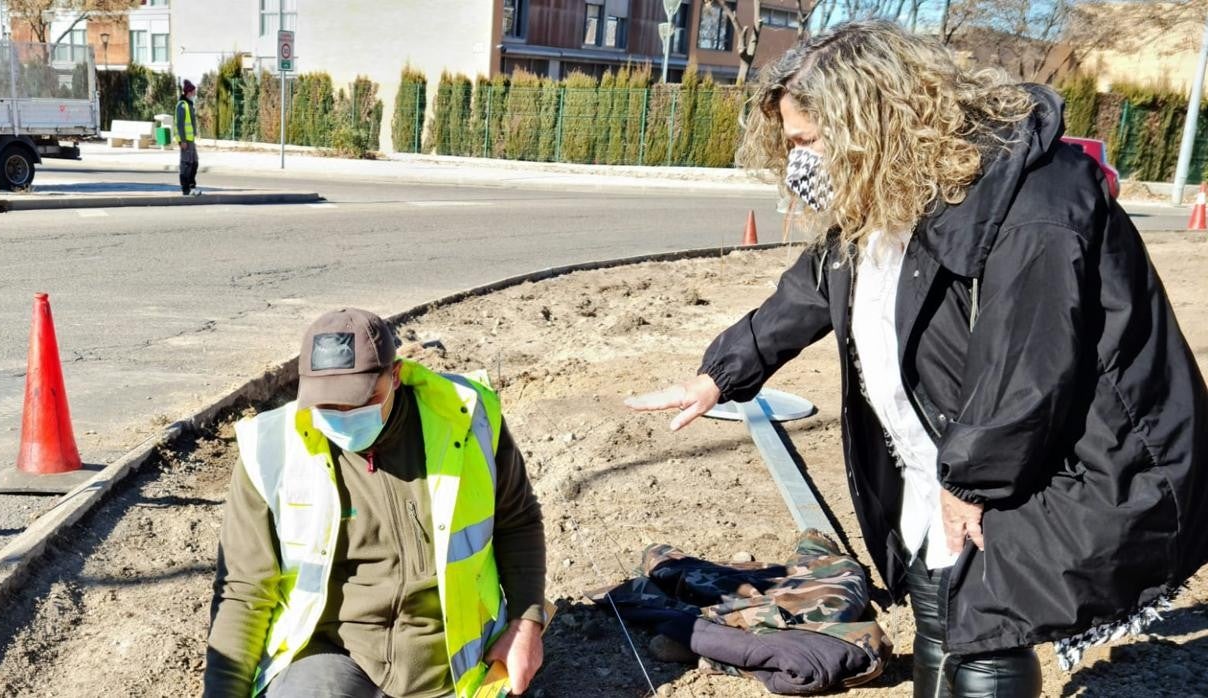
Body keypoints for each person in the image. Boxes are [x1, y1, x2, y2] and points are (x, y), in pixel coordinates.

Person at [628, 20, 1208, 698]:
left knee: (989, 623)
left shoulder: (1030, 199)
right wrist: (721, 373)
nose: (798, 165)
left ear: (868, 122)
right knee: (939, 600)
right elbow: (820, 285)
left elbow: (1028, 359)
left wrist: (974, 479)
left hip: (1054, 453)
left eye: (808, 143)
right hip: (949, 446)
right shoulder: (891, 189)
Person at [204, 308, 547, 698]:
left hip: (452, 660)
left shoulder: (467, 420)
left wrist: (525, 623)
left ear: (396, 375)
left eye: (363, 399)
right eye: (328, 406)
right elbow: (245, 589)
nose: (344, 417)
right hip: (334, 654)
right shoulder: (270, 450)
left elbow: (517, 523)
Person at [177, 79, 201, 196]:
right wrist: (182, 140)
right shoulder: (182, 105)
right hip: (186, 140)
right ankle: (185, 188)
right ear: (189, 93)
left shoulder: (189, 105)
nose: (195, 94)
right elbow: (180, 124)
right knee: (186, 164)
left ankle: (192, 186)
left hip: (190, 139)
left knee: (194, 163)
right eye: (194, 92)